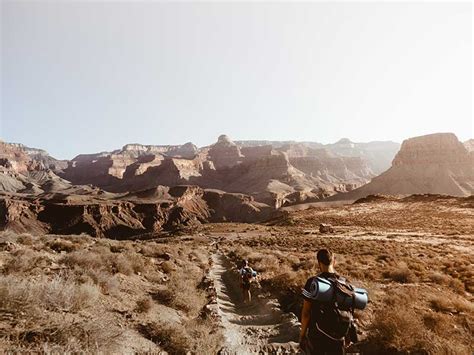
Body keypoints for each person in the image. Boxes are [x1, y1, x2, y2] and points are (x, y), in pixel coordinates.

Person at [299, 249, 356, 354]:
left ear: (319, 263)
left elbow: (306, 313)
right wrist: (347, 334)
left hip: (317, 336)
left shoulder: (312, 282)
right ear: (334, 262)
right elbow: (349, 311)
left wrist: (302, 335)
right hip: (339, 336)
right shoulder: (345, 283)